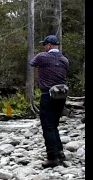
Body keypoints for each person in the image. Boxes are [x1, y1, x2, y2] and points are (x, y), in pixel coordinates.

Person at [29, 35, 69, 168]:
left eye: (44, 45)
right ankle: (60, 154)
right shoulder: (64, 59)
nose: (43, 47)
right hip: (62, 96)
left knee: (48, 127)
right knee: (54, 125)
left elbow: (32, 63)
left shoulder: (42, 56)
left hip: (48, 95)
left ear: (49, 45)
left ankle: (52, 157)